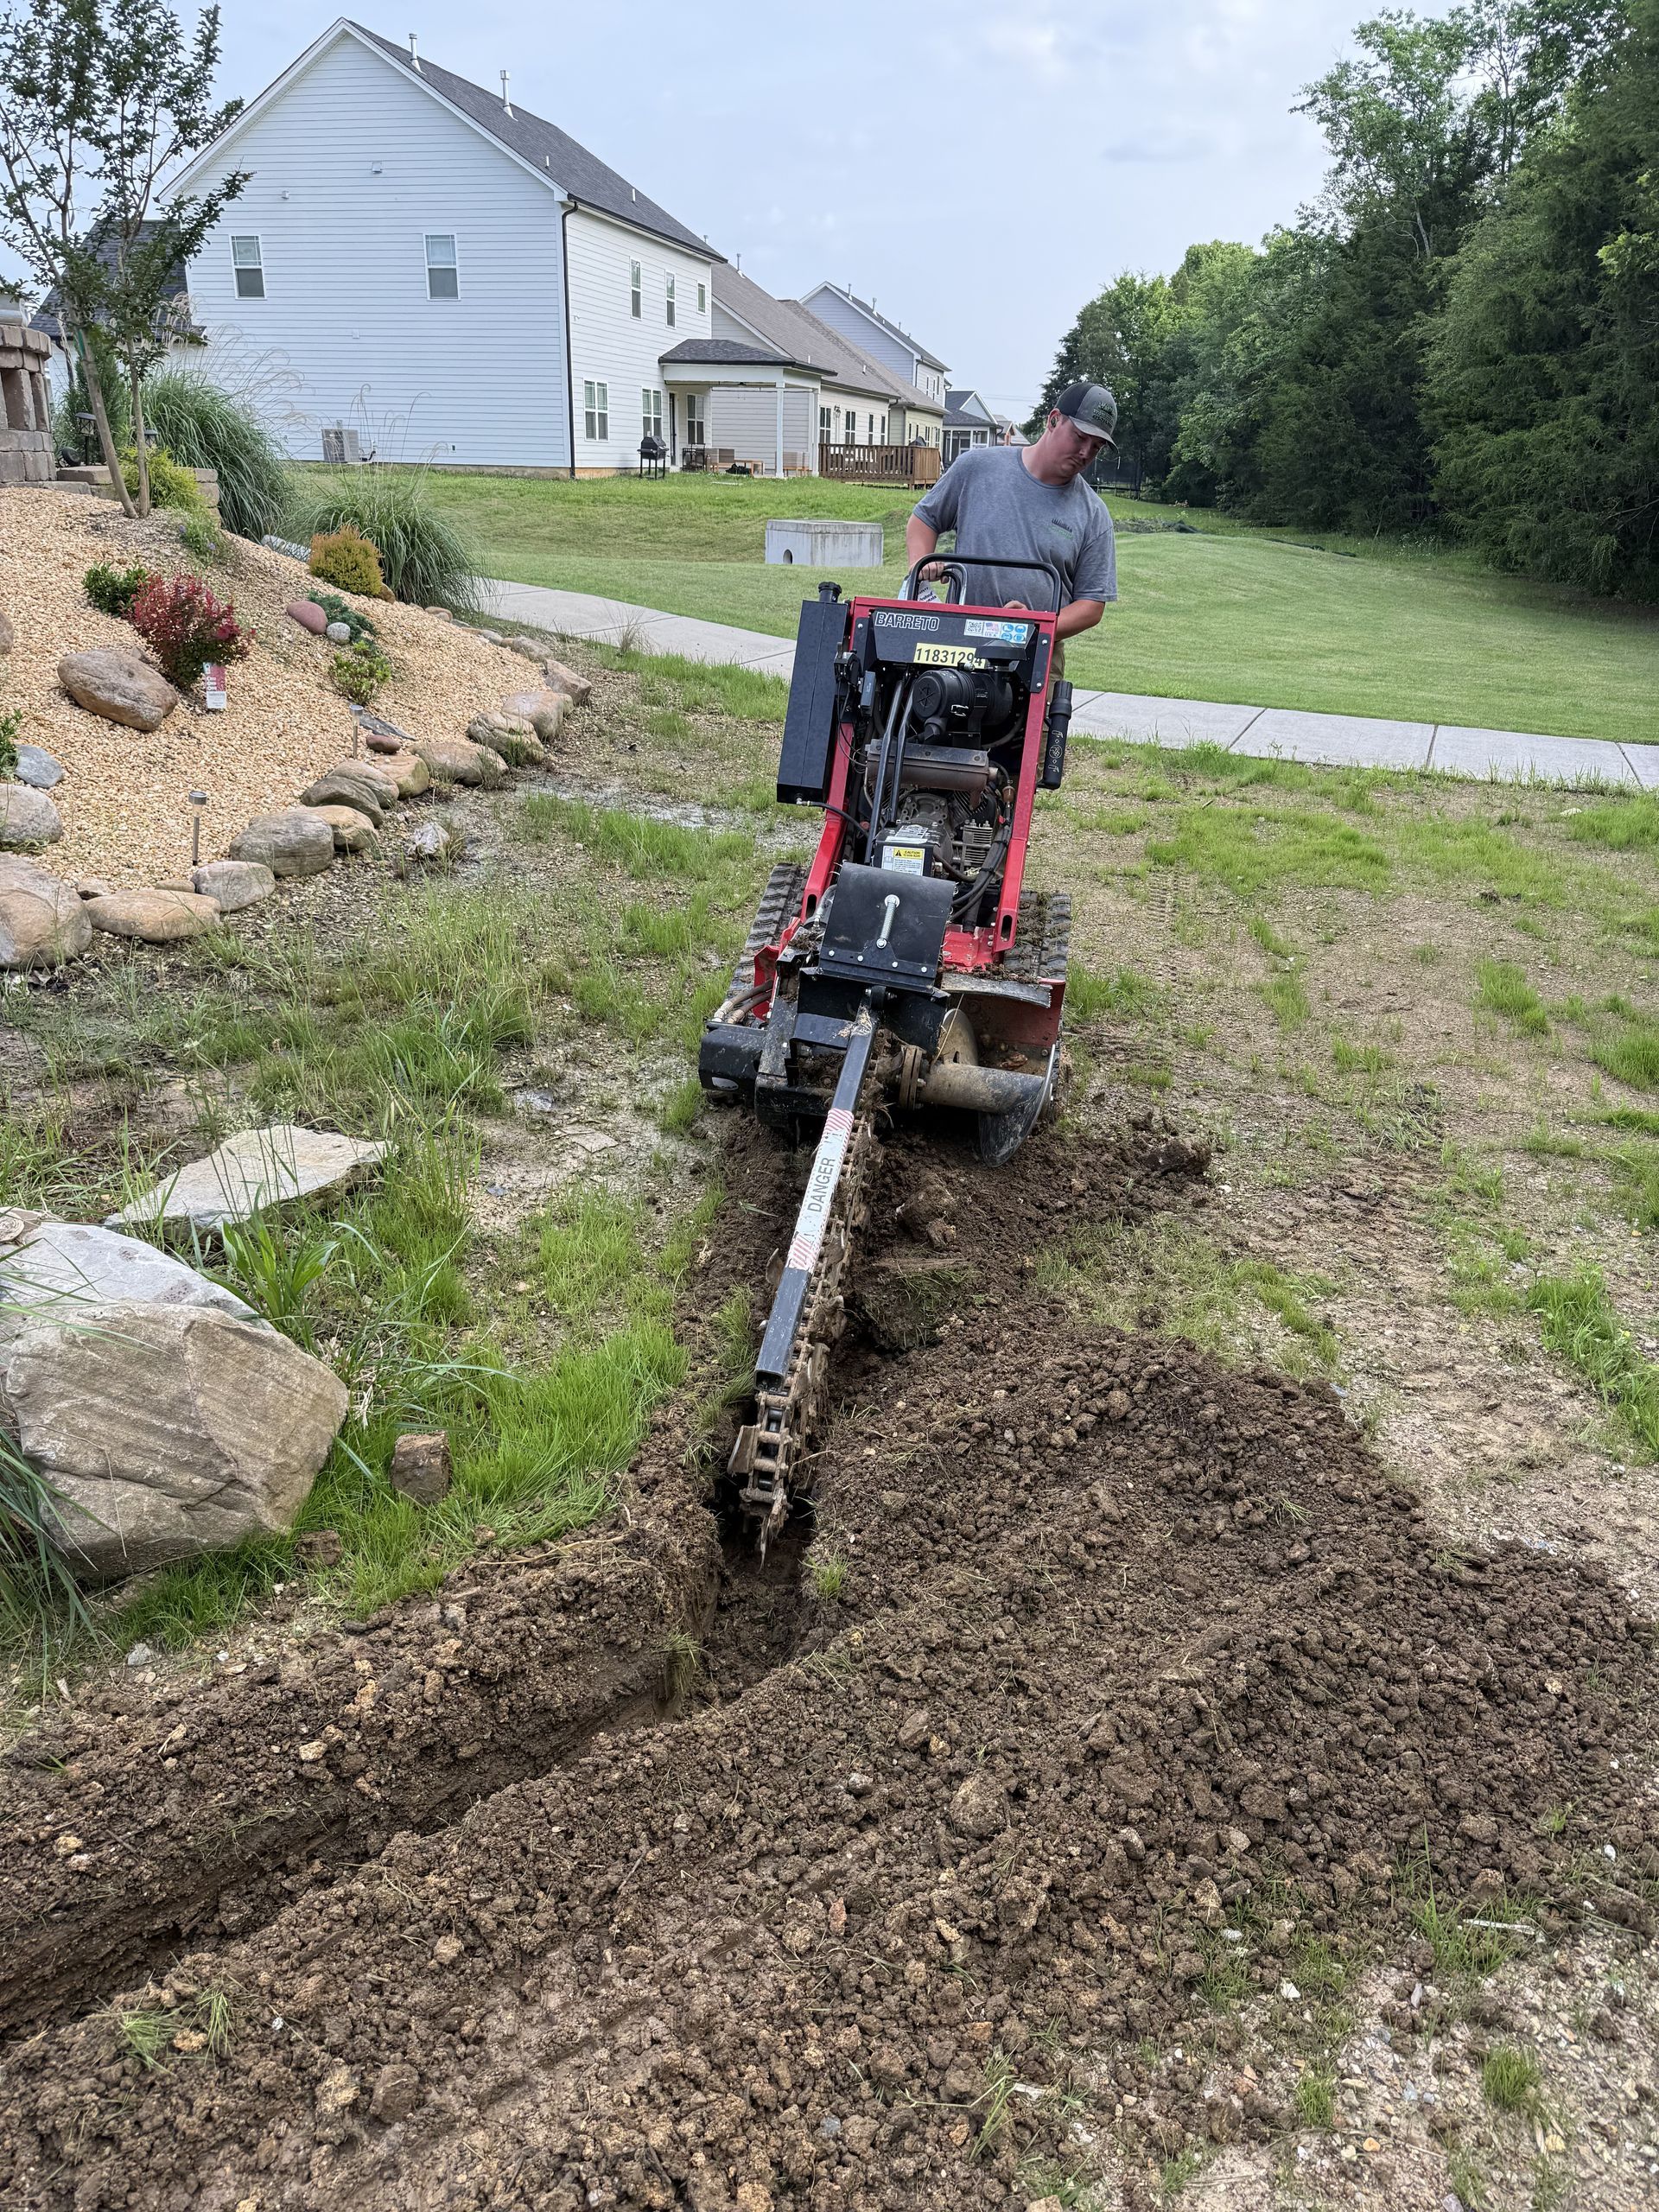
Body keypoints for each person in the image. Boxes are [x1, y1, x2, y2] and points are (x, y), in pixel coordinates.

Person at [905, 382, 1119, 644]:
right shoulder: (976, 468)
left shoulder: (1094, 514)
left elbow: (1092, 605)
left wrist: (1034, 627)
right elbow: (924, 520)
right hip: (957, 642)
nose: (1086, 452)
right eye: (1079, 436)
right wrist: (921, 562)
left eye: (1096, 446)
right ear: (1053, 420)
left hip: (1036, 655)